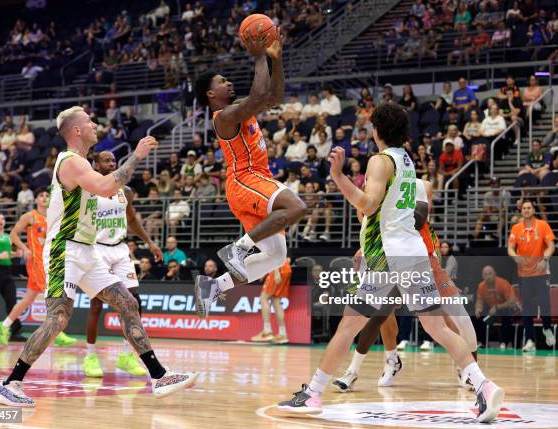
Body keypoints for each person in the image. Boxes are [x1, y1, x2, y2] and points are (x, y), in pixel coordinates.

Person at [275, 103, 503, 423]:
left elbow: (368, 205)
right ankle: (484, 385)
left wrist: (338, 177)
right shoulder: (406, 161)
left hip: (385, 253)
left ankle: (312, 393)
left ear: (377, 130)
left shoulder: (380, 161)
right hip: (412, 250)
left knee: (349, 325)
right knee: (436, 327)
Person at [0, 106, 196, 407]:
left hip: (87, 251)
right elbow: (105, 185)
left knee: (128, 303)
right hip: (65, 249)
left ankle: (159, 375)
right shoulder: (70, 161)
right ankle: (11, 383)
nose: (95, 124)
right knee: (58, 317)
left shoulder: (83, 164)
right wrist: (137, 154)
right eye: (89, 121)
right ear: (76, 130)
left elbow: (103, 198)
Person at [193, 29, 307, 318]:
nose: (228, 82)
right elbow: (258, 94)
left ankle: (214, 286)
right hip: (245, 179)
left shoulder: (241, 109)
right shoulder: (225, 117)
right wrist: (258, 56)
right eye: (222, 81)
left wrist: (275, 60)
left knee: (276, 256)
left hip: (258, 180)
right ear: (210, 94)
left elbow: (274, 96)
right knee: (296, 206)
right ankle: (239, 248)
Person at [334, 179, 478, 391]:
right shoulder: (376, 195)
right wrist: (364, 251)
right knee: (378, 316)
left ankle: (470, 371)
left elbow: (421, 214)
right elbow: (369, 229)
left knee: (458, 318)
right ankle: (357, 370)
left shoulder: (415, 189)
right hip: (390, 263)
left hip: (424, 260)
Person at [83, 151, 164, 378]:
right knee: (97, 306)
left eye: (113, 161)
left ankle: (126, 355)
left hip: (120, 250)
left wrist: (149, 242)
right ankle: (90, 356)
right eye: (106, 160)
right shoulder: (89, 190)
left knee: (134, 303)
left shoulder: (126, 191)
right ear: (96, 165)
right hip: (97, 249)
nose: (111, 163)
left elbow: (131, 221)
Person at [0, 189, 76, 346]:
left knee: (29, 298)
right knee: (51, 294)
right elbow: (13, 234)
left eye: (47, 195)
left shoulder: (54, 216)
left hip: (50, 261)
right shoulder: (30, 216)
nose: (44, 198)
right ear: (36, 199)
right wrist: (24, 249)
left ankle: (3, 325)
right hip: (36, 262)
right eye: (41, 196)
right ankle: (56, 332)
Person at [507, 200, 555, 352]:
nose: (526, 210)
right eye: (524, 208)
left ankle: (547, 328)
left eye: (529, 208)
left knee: (544, 304)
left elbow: (551, 246)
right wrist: (515, 256)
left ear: (533, 210)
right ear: (521, 211)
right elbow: (510, 248)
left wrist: (545, 259)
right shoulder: (516, 228)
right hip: (525, 274)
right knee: (527, 308)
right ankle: (529, 340)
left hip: (541, 272)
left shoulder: (542, 225)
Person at [475, 266, 518, 350]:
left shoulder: (503, 283)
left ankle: (503, 342)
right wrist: (478, 309)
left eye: (490, 274)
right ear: (483, 276)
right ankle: (482, 342)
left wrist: (497, 307)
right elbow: (479, 300)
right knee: (478, 317)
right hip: (492, 311)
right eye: (485, 274)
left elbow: (512, 302)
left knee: (506, 315)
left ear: (495, 274)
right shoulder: (481, 286)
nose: (488, 276)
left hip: (507, 308)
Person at [251, 258, 292, 344]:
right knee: (276, 300)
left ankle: (267, 331)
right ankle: (282, 334)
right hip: (285, 267)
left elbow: (275, 255)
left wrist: (276, 272)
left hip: (277, 267)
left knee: (263, 298)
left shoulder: (267, 244)